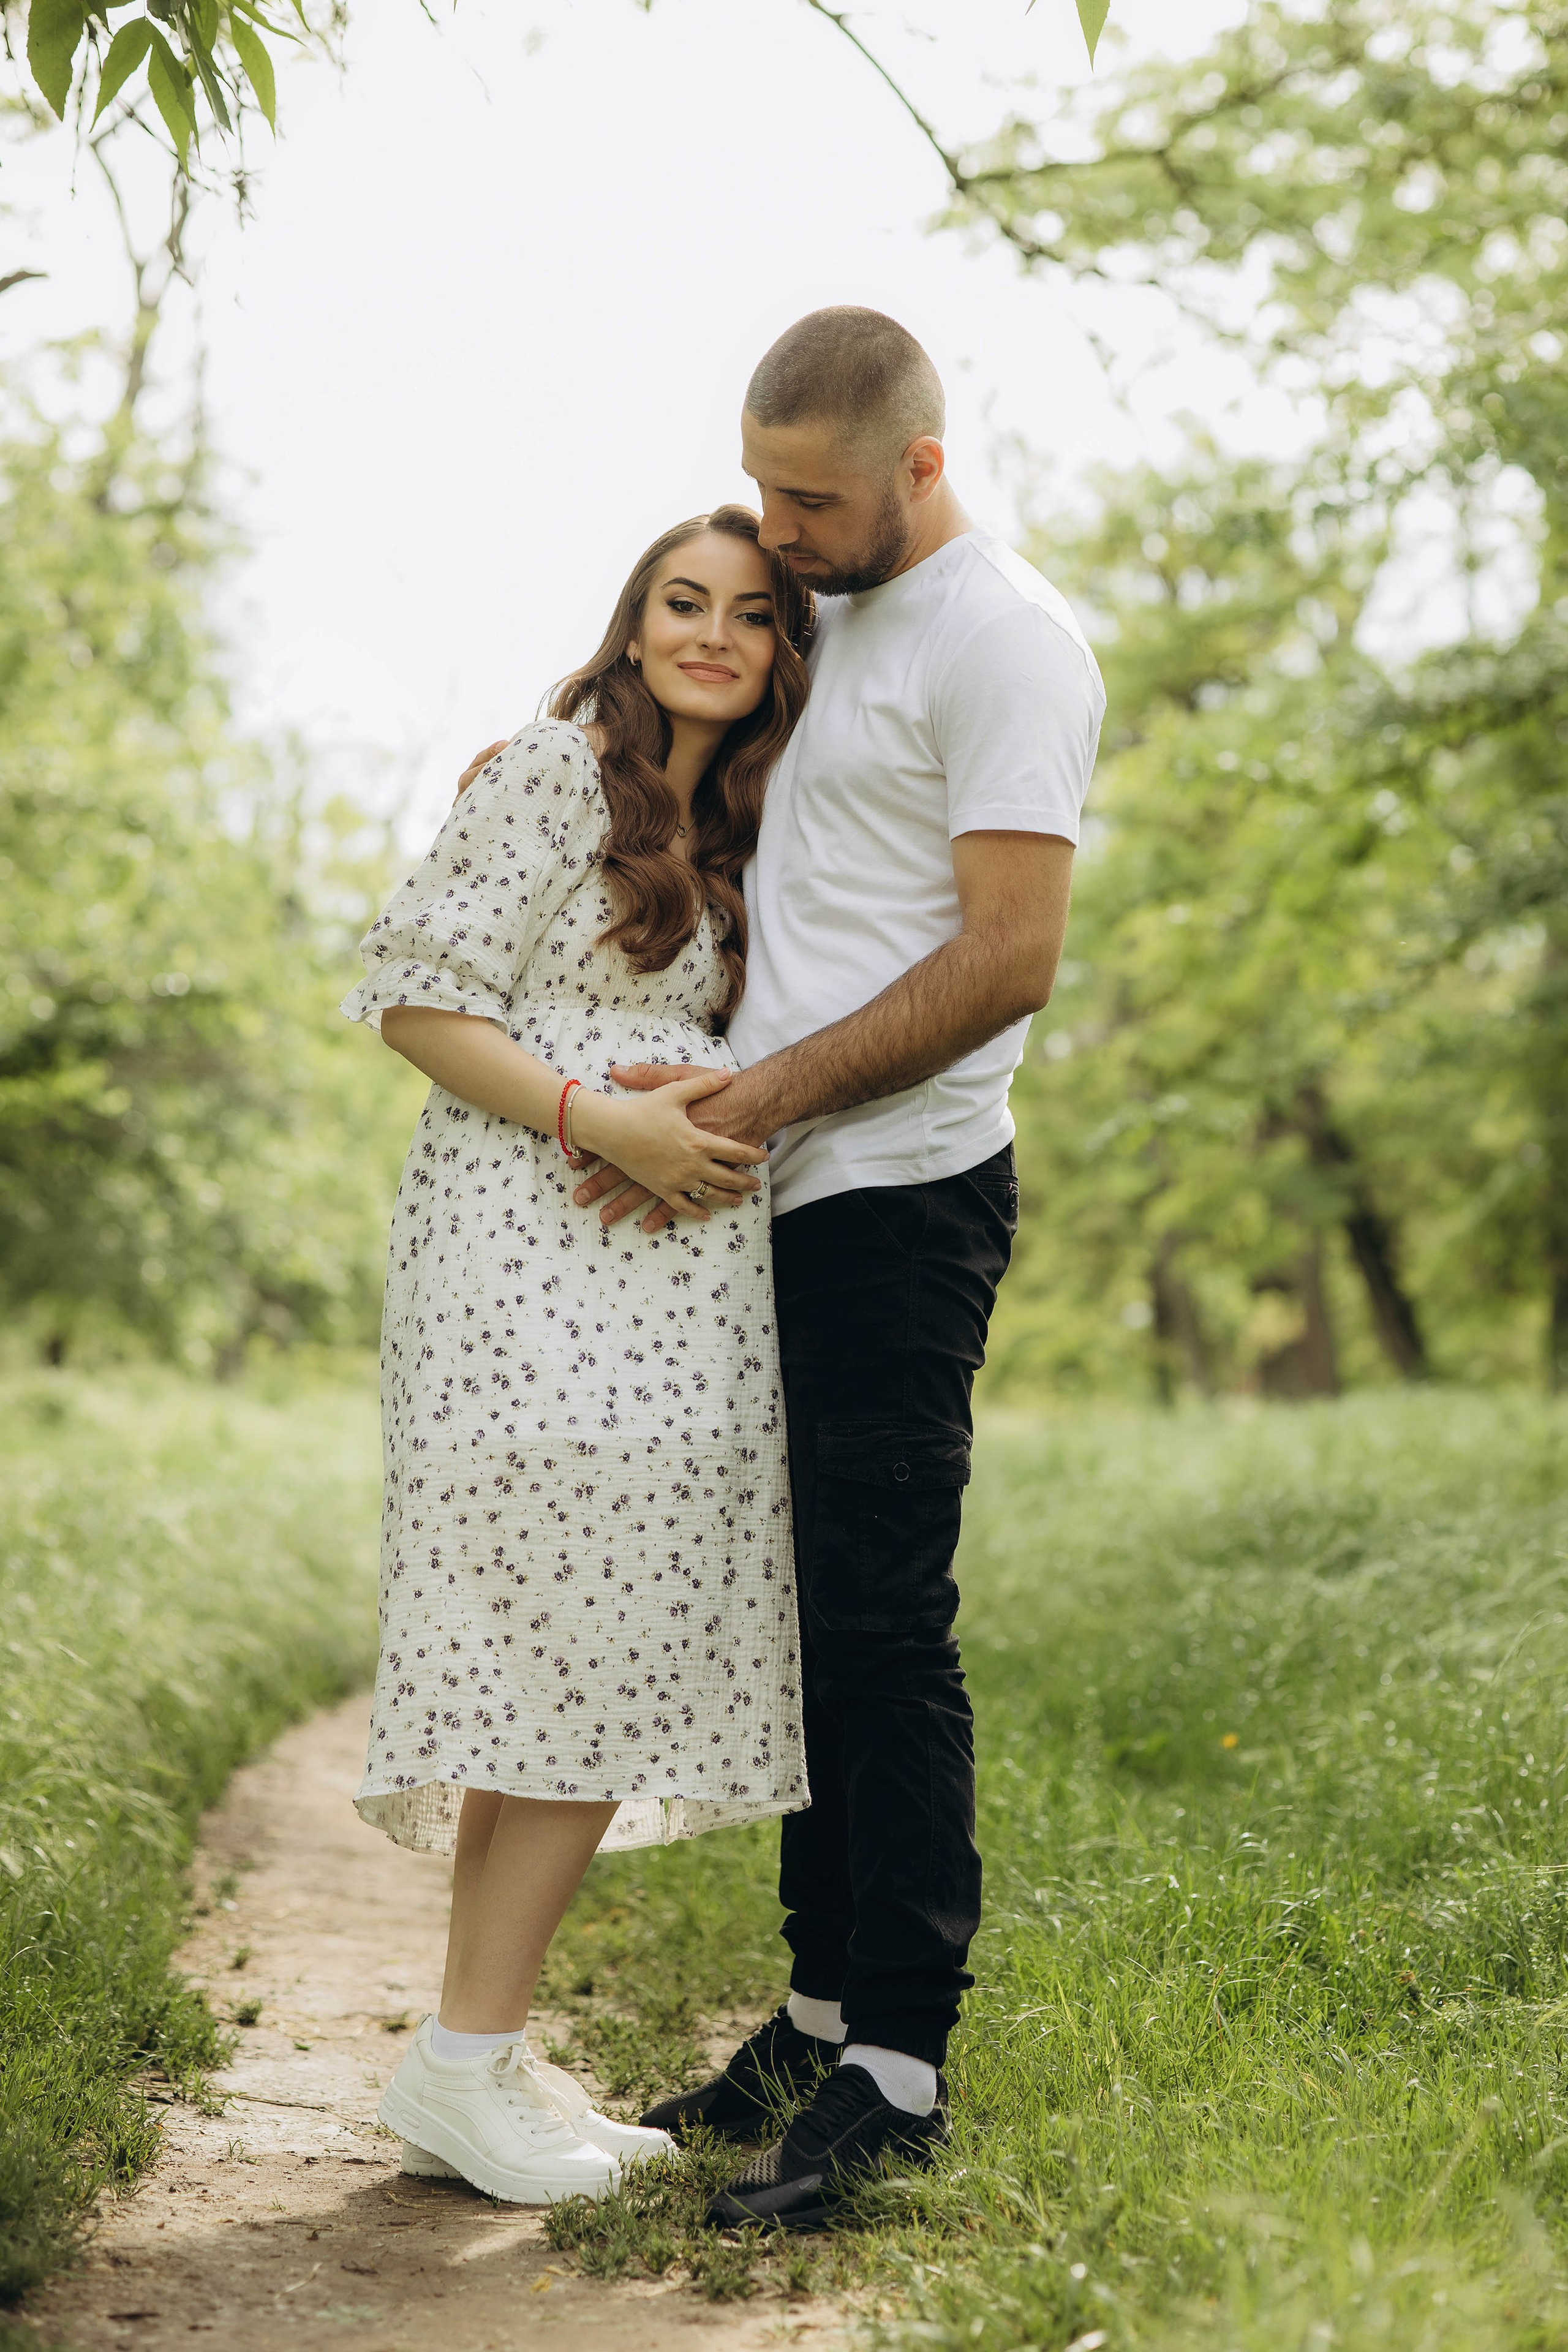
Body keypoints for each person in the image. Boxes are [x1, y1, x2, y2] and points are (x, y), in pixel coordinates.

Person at [576, 309, 1105, 2230]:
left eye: (814, 497)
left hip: (901, 1184)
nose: (779, 530)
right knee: (800, 1619)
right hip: (784, 1190)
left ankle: (899, 2065)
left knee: (882, 1621)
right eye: (766, 485)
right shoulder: (842, 615)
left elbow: (1007, 956)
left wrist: (763, 1100)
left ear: (922, 466)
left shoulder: (1006, 639)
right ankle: (808, 2015)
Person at [340, 504, 814, 2206]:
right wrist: (597, 1110)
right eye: (681, 603)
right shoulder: (552, 775)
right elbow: (409, 994)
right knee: (579, 1626)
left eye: (749, 616)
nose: (709, 634)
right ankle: (465, 2064)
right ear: (631, 626)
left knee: (573, 1637)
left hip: (659, 1280)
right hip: (528, 1253)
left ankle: (478, 2058)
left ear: (779, 654)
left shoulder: (742, 817)